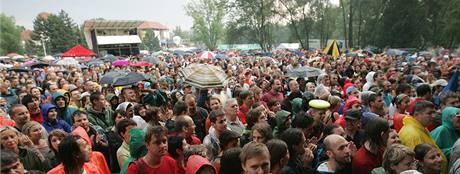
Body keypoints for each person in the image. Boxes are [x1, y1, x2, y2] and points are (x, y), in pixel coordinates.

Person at [399, 101, 448, 173]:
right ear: (416, 114)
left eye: (434, 112)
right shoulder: (413, 134)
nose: (434, 116)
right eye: (429, 113)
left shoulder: (420, 127)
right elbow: (417, 165)